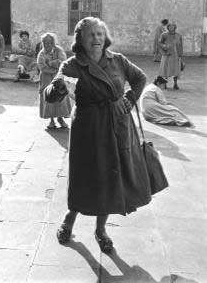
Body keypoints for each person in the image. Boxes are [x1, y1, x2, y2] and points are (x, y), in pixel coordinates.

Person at [45, 17, 152, 254]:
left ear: (106, 38)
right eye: (91, 34)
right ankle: (68, 220)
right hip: (89, 128)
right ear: (80, 39)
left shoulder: (118, 61)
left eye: (100, 34)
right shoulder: (73, 65)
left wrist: (129, 99)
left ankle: (101, 230)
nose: (96, 39)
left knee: (110, 177)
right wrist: (60, 87)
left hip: (116, 124)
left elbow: (140, 78)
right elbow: (51, 95)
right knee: (85, 177)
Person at [37, 33, 71, 129]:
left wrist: (51, 63)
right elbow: (42, 67)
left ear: (53, 43)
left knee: (60, 98)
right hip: (46, 79)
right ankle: (51, 120)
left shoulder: (59, 50)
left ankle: (60, 119)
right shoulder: (42, 53)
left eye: (49, 43)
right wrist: (54, 67)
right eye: (44, 43)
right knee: (49, 98)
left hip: (58, 78)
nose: (47, 45)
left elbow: (62, 62)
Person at [158, 22, 183, 90]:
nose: (171, 28)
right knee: (165, 69)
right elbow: (160, 43)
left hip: (176, 55)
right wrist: (165, 47)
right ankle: (165, 84)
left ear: (175, 27)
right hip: (167, 55)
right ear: (168, 27)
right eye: (170, 26)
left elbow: (180, 46)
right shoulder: (164, 35)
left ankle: (175, 84)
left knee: (176, 70)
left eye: (173, 26)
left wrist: (180, 55)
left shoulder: (178, 35)